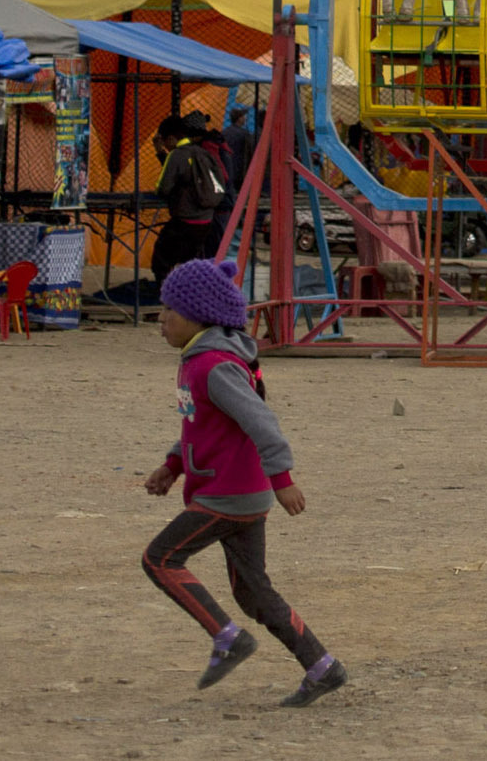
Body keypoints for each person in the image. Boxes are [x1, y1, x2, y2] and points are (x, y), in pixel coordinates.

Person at [142, 257, 345, 707]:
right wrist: (173, 466)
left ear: (199, 316)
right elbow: (200, 426)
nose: (160, 321)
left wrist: (283, 478)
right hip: (233, 491)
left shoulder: (214, 366)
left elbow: (261, 421)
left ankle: (227, 638)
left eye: (168, 312)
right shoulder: (198, 361)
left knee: (160, 559)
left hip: (228, 494)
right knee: (253, 592)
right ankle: (321, 666)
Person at [153, 114, 230, 287]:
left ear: (171, 138)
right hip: (205, 220)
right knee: (190, 261)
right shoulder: (203, 152)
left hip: (184, 221)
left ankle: (163, 295)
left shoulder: (176, 155)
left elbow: (163, 187)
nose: (165, 146)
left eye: (165, 142)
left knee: (161, 258)